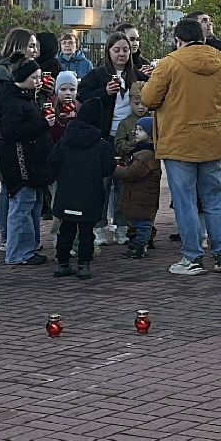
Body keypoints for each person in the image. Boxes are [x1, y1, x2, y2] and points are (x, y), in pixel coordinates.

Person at [140, 17, 221, 276]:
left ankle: (192, 257)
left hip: (179, 141)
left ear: (178, 40)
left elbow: (148, 98)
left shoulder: (169, 64)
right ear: (203, 38)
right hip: (213, 140)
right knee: (214, 199)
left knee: (186, 202)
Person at [82, 33, 143, 245]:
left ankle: (121, 226)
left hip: (128, 136)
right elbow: (82, 96)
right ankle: (99, 227)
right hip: (105, 135)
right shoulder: (98, 74)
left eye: (125, 50)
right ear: (108, 51)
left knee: (124, 183)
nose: (121, 54)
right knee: (103, 182)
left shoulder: (135, 75)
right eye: (116, 50)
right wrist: (104, 91)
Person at [0, 57, 55, 267]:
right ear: (22, 78)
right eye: (34, 78)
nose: (38, 81)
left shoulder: (27, 98)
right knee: (21, 206)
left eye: (39, 77)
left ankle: (28, 248)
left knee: (31, 205)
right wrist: (42, 124)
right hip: (21, 163)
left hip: (33, 161)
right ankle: (16, 252)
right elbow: (10, 132)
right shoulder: (13, 102)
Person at [48, 93, 114, 279]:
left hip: (67, 193)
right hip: (90, 194)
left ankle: (62, 264)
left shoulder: (65, 141)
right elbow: (108, 168)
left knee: (65, 230)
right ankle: (84, 265)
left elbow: (53, 161)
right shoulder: (101, 145)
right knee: (86, 232)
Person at [114, 116, 162, 259]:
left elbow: (133, 172)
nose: (136, 132)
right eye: (136, 129)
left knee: (142, 223)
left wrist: (116, 170)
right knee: (136, 222)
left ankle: (140, 246)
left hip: (142, 197)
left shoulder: (146, 154)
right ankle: (139, 243)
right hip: (138, 196)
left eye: (141, 130)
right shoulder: (140, 151)